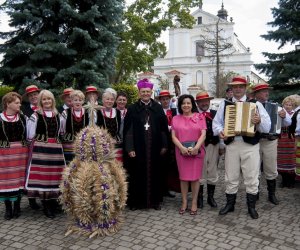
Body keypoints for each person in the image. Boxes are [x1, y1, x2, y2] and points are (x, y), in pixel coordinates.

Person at [213, 75, 271, 219]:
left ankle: (251, 207)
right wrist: (220, 131)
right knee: (230, 176)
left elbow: (267, 126)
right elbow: (216, 123)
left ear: (245, 88)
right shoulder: (224, 104)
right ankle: (230, 205)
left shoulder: (256, 104)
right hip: (232, 145)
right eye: (235, 87)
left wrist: (258, 121)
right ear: (231, 89)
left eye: (240, 87)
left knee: (251, 176)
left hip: (250, 145)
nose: (237, 89)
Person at [123, 78, 169, 210]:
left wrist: (165, 145)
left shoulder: (158, 108)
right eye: (143, 92)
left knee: (155, 174)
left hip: (154, 149)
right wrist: (130, 148)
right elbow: (129, 130)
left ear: (151, 92)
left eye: (148, 91)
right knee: (137, 174)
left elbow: (163, 129)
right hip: (138, 148)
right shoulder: (132, 109)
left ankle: (155, 202)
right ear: (139, 93)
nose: (145, 94)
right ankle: (136, 202)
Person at [26, 90, 66, 218]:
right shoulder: (35, 116)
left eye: (49, 99)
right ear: (40, 101)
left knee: (55, 175)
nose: (47, 101)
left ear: (53, 100)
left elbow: (62, 131)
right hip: (41, 149)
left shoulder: (58, 115)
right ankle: (46, 206)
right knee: (43, 177)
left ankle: (53, 202)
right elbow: (30, 135)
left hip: (56, 149)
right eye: (44, 99)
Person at [253, 82, 291, 205]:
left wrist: (284, 116)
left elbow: (288, 122)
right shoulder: (252, 106)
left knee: (271, 167)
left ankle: (271, 194)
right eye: (264, 91)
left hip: (271, 141)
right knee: (254, 167)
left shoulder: (276, 107)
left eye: (267, 91)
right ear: (257, 94)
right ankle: (255, 193)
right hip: (256, 141)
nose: (267, 93)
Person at [171, 94, 206, 215]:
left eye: (188, 103)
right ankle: (184, 202)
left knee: (195, 178)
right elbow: (173, 137)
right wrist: (181, 147)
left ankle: (194, 202)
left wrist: (196, 147)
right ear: (180, 105)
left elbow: (203, 134)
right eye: (183, 103)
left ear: (192, 105)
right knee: (183, 178)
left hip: (197, 151)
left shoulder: (200, 117)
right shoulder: (175, 118)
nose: (186, 105)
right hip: (181, 152)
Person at [0, 92, 28, 220]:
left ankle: (17, 206)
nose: (19, 105)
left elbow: (29, 134)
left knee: (19, 180)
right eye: (16, 103)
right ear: (8, 104)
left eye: (19, 102)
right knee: (5, 180)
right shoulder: (0, 118)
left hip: (21, 153)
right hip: (4, 154)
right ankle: (8, 208)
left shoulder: (23, 118)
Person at [195, 91, 220, 209]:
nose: (204, 103)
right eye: (201, 101)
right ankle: (199, 198)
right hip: (199, 147)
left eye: (206, 101)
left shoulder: (216, 113)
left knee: (212, 171)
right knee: (200, 172)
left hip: (213, 146)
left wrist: (222, 146)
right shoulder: (193, 114)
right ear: (197, 103)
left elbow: (221, 129)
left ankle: (211, 197)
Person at [21, 84, 41, 210]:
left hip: (43, 144)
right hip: (29, 144)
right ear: (28, 97)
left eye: (35, 94)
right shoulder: (24, 110)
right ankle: (31, 199)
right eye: (31, 95)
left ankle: (43, 196)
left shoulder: (44, 107)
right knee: (30, 170)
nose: (34, 97)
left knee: (40, 170)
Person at [156, 90, 178, 197]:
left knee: (171, 164)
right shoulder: (157, 111)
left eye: (167, 99)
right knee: (161, 164)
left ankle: (170, 187)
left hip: (173, 141)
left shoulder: (174, 111)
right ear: (160, 100)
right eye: (163, 99)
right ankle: (161, 188)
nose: (165, 101)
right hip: (161, 141)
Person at [60, 90, 89, 164]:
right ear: (72, 101)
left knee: (82, 166)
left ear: (83, 101)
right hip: (69, 144)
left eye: (80, 100)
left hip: (84, 143)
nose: (78, 102)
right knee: (69, 164)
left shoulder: (88, 112)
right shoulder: (65, 112)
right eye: (75, 100)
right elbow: (62, 128)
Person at [97, 88, 123, 162]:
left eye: (112, 99)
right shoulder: (98, 112)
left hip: (116, 144)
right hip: (102, 145)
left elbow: (119, 129)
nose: (109, 101)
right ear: (102, 100)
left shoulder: (117, 112)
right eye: (107, 99)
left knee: (117, 168)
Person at [277, 96, 296, 188]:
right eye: (286, 104)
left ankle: (291, 181)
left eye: (290, 105)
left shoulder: (295, 114)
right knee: (281, 160)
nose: (288, 106)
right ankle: (283, 181)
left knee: (291, 160)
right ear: (283, 105)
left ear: (293, 106)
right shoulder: (279, 113)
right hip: (281, 140)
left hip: (291, 139)